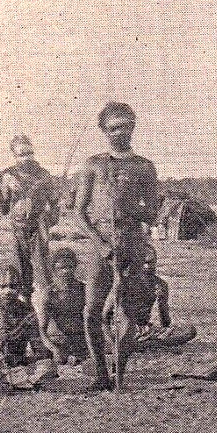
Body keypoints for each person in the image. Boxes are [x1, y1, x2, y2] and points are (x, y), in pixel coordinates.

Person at [73, 102, 160, 390]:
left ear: (133, 127)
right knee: (91, 312)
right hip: (99, 246)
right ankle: (100, 373)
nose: (120, 133)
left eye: (125, 126)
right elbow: (79, 213)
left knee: (126, 312)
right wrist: (100, 243)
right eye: (113, 128)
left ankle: (120, 372)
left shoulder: (144, 167)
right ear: (104, 131)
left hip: (131, 244)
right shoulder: (93, 164)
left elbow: (152, 213)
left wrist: (129, 208)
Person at [0, 135, 57, 299]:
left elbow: (55, 203)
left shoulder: (43, 175)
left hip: (38, 230)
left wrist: (49, 218)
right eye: (22, 154)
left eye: (29, 153)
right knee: (19, 276)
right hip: (18, 231)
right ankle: (25, 313)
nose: (27, 158)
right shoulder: (7, 176)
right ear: (14, 156)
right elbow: (3, 209)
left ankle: (46, 315)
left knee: (44, 276)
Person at [34, 247, 89, 365]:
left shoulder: (83, 289)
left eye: (69, 267)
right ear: (54, 270)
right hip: (57, 342)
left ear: (75, 267)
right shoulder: (49, 293)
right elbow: (42, 329)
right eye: (61, 268)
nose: (66, 271)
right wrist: (54, 349)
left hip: (80, 341)